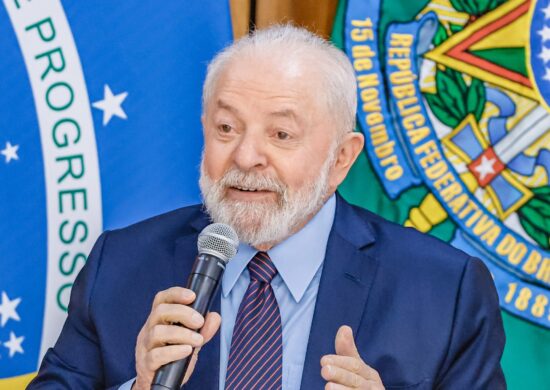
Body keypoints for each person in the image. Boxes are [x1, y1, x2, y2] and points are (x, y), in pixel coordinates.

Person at [29, 25, 506, 390]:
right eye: (226, 128)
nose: (245, 156)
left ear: (341, 158)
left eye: (280, 134)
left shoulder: (446, 290)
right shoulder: (122, 264)